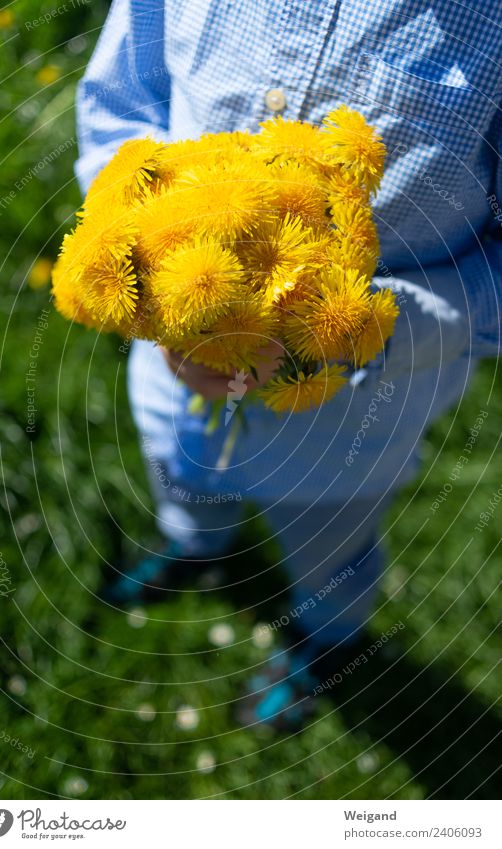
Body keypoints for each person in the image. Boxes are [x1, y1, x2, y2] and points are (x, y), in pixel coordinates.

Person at [75, 0, 501, 729]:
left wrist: (363, 325)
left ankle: (326, 633)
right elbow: (121, 103)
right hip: (170, 364)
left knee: (329, 541)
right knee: (180, 467)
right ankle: (195, 541)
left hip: (355, 422)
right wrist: (148, 268)